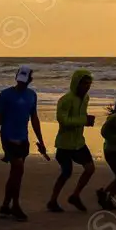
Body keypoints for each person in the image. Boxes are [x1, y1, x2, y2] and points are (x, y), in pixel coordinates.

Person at [0, 65, 49, 221]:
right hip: (8, 137)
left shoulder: (32, 95)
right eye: (20, 80)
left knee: (16, 174)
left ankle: (5, 205)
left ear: (30, 80)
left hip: (23, 137)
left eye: (25, 80)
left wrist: (41, 140)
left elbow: (34, 118)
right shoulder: (5, 95)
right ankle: (15, 205)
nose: (22, 83)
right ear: (16, 78)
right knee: (18, 168)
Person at [47, 69, 97, 213]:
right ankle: (52, 200)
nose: (87, 87)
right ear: (77, 83)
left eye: (89, 84)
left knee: (90, 169)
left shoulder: (86, 98)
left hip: (79, 142)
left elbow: (80, 115)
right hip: (65, 144)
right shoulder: (65, 100)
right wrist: (83, 121)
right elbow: (62, 120)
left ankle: (75, 195)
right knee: (66, 173)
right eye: (84, 84)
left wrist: (86, 118)